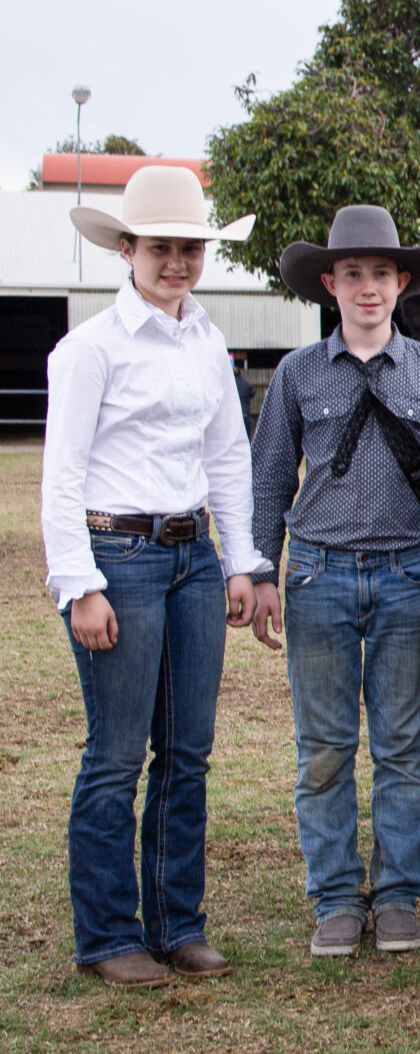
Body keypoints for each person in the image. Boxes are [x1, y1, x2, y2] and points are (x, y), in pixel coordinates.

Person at [43, 164, 265, 986]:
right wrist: (80, 584)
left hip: (193, 557)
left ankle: (178, 926)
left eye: (190, 249)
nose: (177, 263)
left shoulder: (206, 341)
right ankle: (108, 937)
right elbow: (61, 476)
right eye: (161, 248)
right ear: (127, 249)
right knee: (115, 755)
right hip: (119, 557)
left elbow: (227, 456)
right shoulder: (90, 350)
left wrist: (240, 562)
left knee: (187, 752)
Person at [250, 205, 420, 958]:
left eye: (381, 273)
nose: (368, 287)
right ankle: (337, 898)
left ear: (402, 282)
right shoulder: (297, 374)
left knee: (404, 750)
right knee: (323, 750)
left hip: (410, 576)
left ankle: (400, 894)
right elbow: (270, 478)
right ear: (330, 284)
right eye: (353, 273)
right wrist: (263, 570)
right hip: (317, 574)